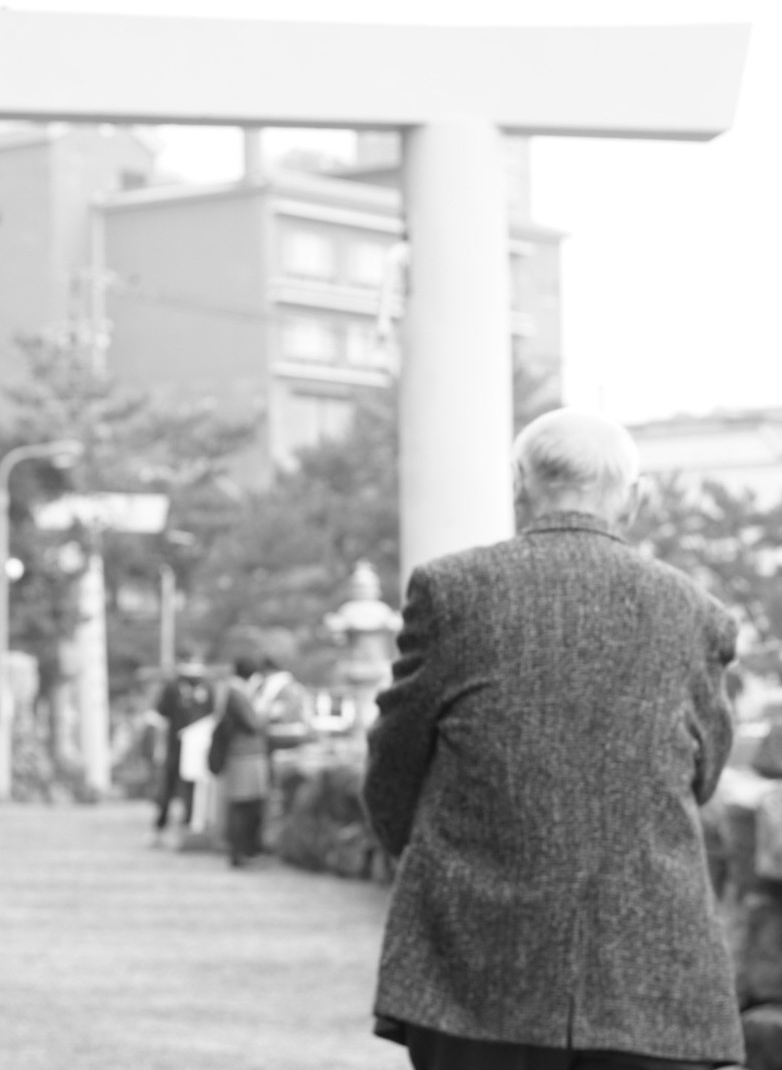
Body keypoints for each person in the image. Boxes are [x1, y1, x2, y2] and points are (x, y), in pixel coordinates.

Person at [363, 408, 743, 1070]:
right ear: (633, 498)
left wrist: (424, 859)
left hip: (477, 965)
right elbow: (704, 773)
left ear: (519, 485)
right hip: (649, 975)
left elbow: (393, 760)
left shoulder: (450, 591)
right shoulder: (695, 611)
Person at [211, 655, 271, 868]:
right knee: (242, 805)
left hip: (241, 754)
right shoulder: (236, 693)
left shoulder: (230, 690)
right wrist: (266, 714)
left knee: (243, 804)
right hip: (244, 754)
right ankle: (239, 852)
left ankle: (241, 851)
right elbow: (253, 723)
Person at [151, 648, 212, 845]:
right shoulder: (183, 686)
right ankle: (173, 826)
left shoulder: (195, 686)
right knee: (179, 787)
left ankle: (179, 828)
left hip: (189, 747)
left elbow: (161, 715)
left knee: (181, 788)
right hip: (186, 747)